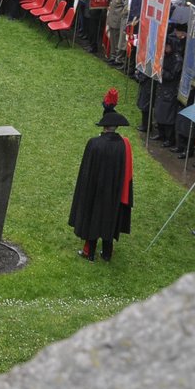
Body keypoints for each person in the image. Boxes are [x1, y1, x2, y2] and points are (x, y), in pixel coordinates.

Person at [68, 90, 134, 261]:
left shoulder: (94, 144)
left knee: (92, 218)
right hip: (113, 191)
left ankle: (89, 252)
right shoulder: (123, 145)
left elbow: (86, 172)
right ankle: (107, 253)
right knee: (108, 220)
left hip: (95, 190)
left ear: (104, 127)